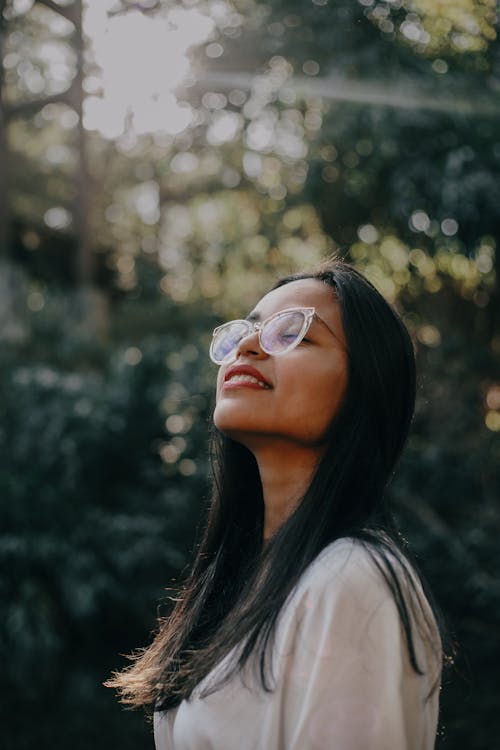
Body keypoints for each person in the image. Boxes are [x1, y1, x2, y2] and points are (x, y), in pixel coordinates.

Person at [107, 260, 444, 749]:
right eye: (247, 330)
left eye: (294, 335)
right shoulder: (237, 583)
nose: (247, 346)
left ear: (365, 385)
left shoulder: (350, 577)